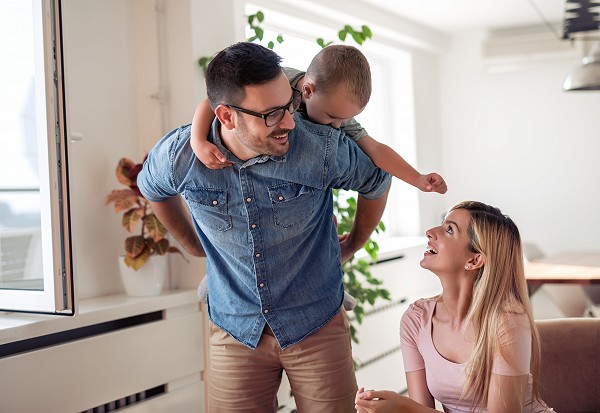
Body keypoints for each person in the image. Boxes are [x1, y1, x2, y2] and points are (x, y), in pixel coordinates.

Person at [137, 41, 391, 412]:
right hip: (234, 330)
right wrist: (193, 246)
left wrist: (352, 243)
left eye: (288, 106)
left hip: (316, 324)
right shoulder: (180, 157)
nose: (290, 121)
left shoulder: (320, 148)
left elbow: (378, 182)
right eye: (272, 114)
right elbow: (151, 189)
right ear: (226, 116)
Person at [192, 44, 447, 308]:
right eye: (332, 117)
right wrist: (198, 141)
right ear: (307, 91)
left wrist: (418, 179)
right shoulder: (282, 82)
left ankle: (330, 281)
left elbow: (375, 150)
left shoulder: (336, 115)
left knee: (319, 224)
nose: (337, 127)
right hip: (248, 179)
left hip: (304, 189)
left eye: (343, 120)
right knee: (240, 226)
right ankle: (216, 276)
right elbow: (212, 101)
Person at [355, 201, 553, 413]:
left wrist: (404, 407)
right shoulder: (416, 320)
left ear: (475, 260)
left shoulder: (506, 322)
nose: (430, 232)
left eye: (449, 230)